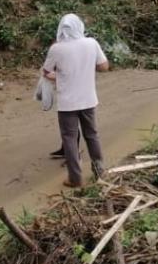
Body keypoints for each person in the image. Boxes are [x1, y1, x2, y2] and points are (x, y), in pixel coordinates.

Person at [42, 14, 109, 188]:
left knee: (70, 139)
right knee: (92, 135)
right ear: (80, 27)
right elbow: (104, 67)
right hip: (88, 99)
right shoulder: (91, 43)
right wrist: (85, 66)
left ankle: (75, 178)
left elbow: (46, 71)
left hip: (67, 103)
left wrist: (59, 76)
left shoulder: (56, 48)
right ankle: (100, 171)